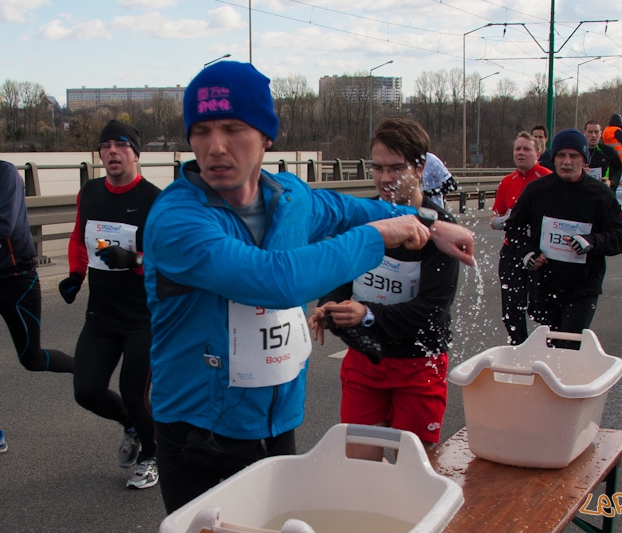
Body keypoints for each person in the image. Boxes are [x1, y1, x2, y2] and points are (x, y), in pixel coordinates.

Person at [142, 61, 474, 513]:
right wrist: (381, 236)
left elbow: (346, 209)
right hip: (199, 429)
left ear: (266, 136)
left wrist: (430, 223)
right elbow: (275, 280)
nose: (215, 146)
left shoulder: (290, 197)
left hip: (275, 418)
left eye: (233, 128)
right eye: (200, 131)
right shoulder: (177, 219)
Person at [308, 117, 459, 460]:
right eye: (377, 168)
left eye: (396, 168)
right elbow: (340, 280)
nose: (386, 178)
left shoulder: (441, 227)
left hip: (418, 364)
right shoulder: (364, 218)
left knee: (414, 475)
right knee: (361, 470)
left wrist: (367, 313)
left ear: (419, 168)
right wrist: (328, 306)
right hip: (366, 360)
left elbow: (432, 311)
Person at [58, 120, 161, 489]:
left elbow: (170, 264)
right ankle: (132, 428)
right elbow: (78, 236)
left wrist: (135, 262)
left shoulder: (154, 200)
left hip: (142, 318)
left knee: (136, 394)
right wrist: (75, 274)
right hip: (101, 315)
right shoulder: (90, 192)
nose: (112, 152)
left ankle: (151, 456)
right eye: (105, 146)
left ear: (136, 153)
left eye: (120, 145)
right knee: (86, 390)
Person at [0, 122, 74, 460]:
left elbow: (4, 224)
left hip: (17, 279)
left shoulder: (2, 175)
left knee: (30, 359)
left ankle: (87, 368)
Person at [504, 128, 622, 341]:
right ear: (554, 159)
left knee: (568, 346)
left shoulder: (600, 195)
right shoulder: (537, 190)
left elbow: (620, 238)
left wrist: (592, 242)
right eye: (561, 155)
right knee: (550, 348)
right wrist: (528, 253)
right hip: (545, 285)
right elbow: (514, 228)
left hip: (582, 287)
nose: (567, 162)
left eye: (574, 156)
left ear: (584, 160)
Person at [490, 131, 551, 344]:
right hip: (512, 250)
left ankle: (547, 348)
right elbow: (494, 217)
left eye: (526, 149)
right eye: (518, 149)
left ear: (538, 152)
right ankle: (519, 347)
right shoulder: (507, 182)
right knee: (511, 310)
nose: (521, 153)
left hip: (541, 253)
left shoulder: (548, 178)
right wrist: (505, 220)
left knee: (540, 308)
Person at [584, 120, 622, 191]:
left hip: (602, 192)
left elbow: (619, 168)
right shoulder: (578, 150)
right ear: (584, 133)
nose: (593, 135)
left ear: (600, 133)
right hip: (582, 191)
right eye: (590, 132)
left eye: (596, 132)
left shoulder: (608, 151)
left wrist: (611, 182)